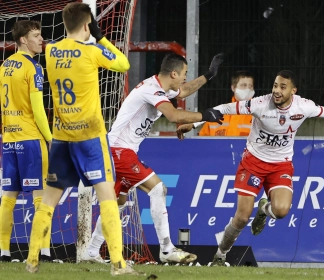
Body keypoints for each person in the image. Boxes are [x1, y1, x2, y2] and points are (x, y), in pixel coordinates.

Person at [176, 70, 324, 266]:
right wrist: (194, 123)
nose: (276, 91)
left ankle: (263, 209)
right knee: (241, 218)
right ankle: (220, 256)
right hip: (252, 163)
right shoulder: (260, 103)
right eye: (275, 85)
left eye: (282, 87)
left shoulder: (303, 106)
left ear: (293, 91)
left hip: (280, 166)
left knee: (281, 211)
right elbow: (224, 109)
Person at [25, 3, 139, 276]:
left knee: (49, 200)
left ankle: (31, 262)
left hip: (62, 136)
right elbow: (124, 64)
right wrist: (99, 37)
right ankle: (118, 264)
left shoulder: (51, 51)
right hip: (89, 136)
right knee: (107, 196)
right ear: (88, 25)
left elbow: (50, 44)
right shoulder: (92, 50)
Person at [83, 52, 224, 265]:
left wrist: (209, 75)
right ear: (174, 73)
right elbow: (174, 116)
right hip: (118, 151)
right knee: (158, 189)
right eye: (184, 73)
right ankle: (166, 249)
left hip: (117, 150)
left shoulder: (163, 86)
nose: (185, 77)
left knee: (117, 203)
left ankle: (91, 252)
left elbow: (184, 91)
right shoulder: (152, 90)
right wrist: (204, 116)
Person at [0, 20, 52, 262]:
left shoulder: (5, 65)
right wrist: (51, 139)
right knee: (41, 196)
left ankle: (3, 252)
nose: (40, 39)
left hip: (9, 139)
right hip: (31, 139)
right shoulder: (34, 67)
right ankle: (42, 251)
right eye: (36, 35)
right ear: (23, 40)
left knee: (9, 196)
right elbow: (38, 110)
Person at [199, 70, 254, 136]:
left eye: (251, 86)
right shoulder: (218, 113)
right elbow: (202, 141)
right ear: (233, 88)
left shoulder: (258, 114)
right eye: (243, 85)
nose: (248, 89)